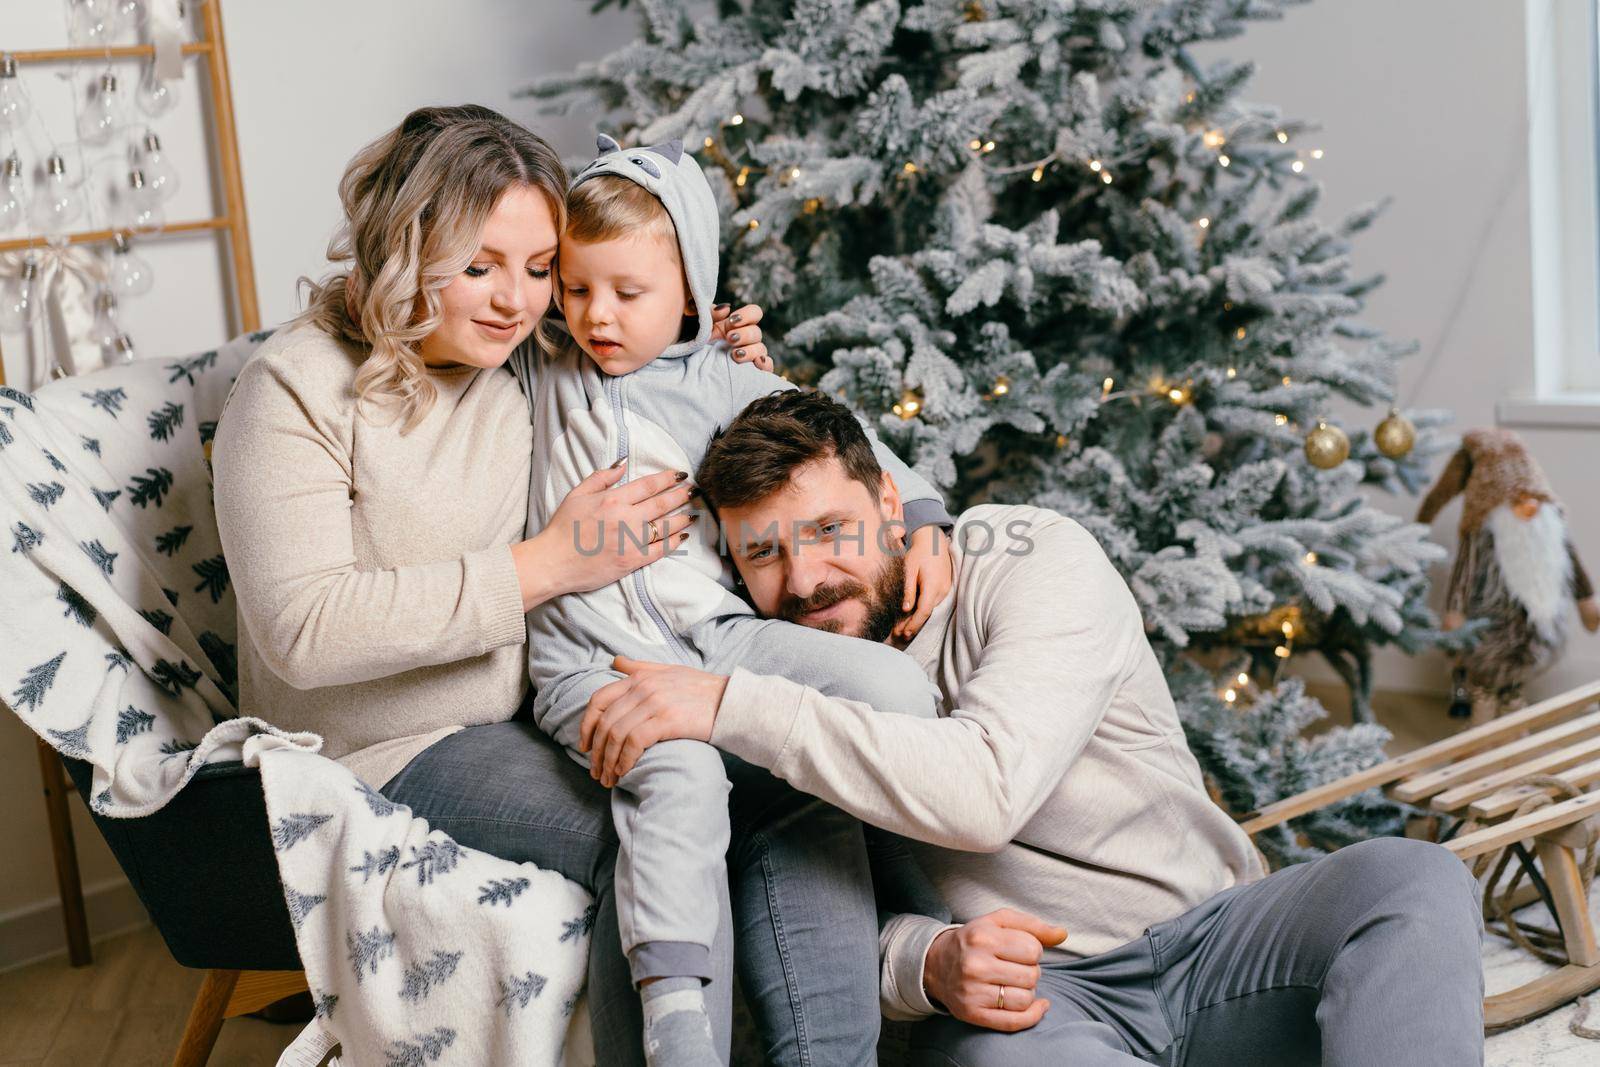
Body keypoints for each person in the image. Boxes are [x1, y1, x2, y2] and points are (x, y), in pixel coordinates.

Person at [210, 105, 873, 1066]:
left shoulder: (529, 353)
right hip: (393, 740)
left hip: (542, 700)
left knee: (791, 786)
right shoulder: (293, 390)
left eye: (535, 270)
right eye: (478, 265)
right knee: (645, 824)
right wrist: (547, 566)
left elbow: (646, 362)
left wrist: (721, 356)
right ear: (405, 244)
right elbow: (301, 629)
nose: (513, 300)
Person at [578, 388, 1489, 1066]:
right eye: (764, 553)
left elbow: (985, 791)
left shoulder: (1028, 559)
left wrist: (727, 702)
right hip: (1040, 1011)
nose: (807, 576)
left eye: (830, 530)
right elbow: (807, 907)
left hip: (1214, 937)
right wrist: (924, 964)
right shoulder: (778, 673)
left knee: (1413, 877)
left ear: (891, 508)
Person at [509, 133, 955, 1065]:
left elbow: (846, 439)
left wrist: (921, 520)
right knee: (680, 779)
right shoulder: (541, 368)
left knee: (902, 693)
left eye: (630, 294)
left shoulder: (723, 379)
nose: (599, 316)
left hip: (718, 642)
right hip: (586, 662)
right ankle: (678, 1020)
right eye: (579, 288)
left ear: (688, 292)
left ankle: (933, 928)